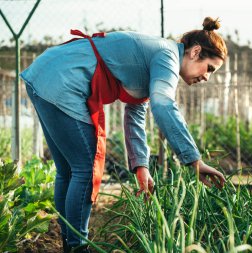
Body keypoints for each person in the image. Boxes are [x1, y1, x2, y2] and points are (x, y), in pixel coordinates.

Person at [21, 17, 227, 253]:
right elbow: (162, 104)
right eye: (209, 68)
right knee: (85, 170)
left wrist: (142, 168)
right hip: (63, 81)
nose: (206, 77)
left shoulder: (157, 57)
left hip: (45, 73)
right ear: (196, 52)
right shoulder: (167, 56)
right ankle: (78, 247)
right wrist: (195, 160)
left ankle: (71, 244)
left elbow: (136, 114)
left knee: (69, 170)